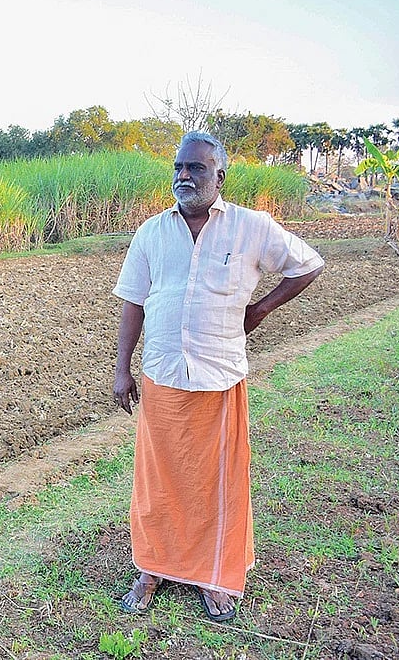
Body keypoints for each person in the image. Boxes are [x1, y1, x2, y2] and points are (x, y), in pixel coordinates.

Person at [111, 131, 324, 622]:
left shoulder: (251, 227)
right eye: (179, 167)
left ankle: (214, 575)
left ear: (219, 176)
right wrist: (122, 368)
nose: (184, 176)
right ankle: (152, 568)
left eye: (196, 168)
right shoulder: (151, 232)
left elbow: (307, 264)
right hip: (162, 374)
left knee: (217, 483)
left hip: (219, 376)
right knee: (158, 480)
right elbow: (133, 301)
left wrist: (261, 309)